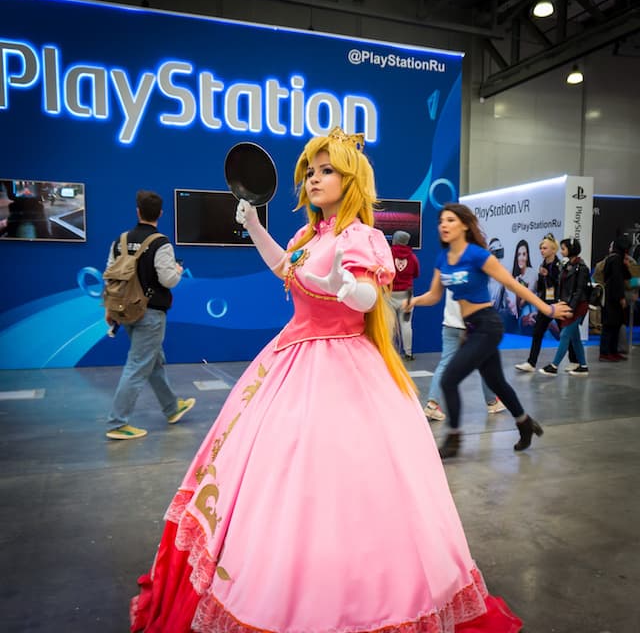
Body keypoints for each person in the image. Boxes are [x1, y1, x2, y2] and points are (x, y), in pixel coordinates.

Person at [129, 129, 523, 633]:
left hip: (345, 364)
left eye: (326, 170)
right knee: (279, 480)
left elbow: (367, 298)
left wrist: (348, 287)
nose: (314, 179)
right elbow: (284, 268)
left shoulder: (361, 237)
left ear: (350, 178)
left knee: (349, 482)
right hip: (290, 361)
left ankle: (355, 594)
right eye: (310, 172)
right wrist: (255, 226)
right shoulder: (308, 237)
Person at [407, 203, 570, 459]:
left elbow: (513, 285)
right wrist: (414, 301)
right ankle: (525, 423)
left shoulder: (477, 255)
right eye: (441, 221)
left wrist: (547, 310)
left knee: (449, 379)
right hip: (470, 328)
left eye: (450, 220)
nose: (444, 225)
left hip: (487, 325)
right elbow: (434, 295)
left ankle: (453, 440)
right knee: (497, 383)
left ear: (464, 225)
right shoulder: (443, 258)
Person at [105, 190, 195, 439]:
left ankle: (172, 407)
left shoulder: (120, 241)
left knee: (153, 361)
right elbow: (168, 280)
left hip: (125, 311)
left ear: (138, 211)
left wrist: (109, 310)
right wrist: (177, 270)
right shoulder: (161, 243)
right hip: (151, 314)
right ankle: (117, 423)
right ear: (160, 213)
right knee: (138, 366)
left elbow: (110, 276)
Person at [424, 289, 506, 421]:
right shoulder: (474, 277)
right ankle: (492, 402)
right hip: (471, 326)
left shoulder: (447, 275)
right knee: (486, 362)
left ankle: (431, 405)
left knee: (445, 365)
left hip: (450, 325)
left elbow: (434, 295)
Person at [515, 233, 578, 372]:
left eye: (544, 248)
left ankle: (574, 360)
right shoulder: (543, 264)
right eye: (541, 248)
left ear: (553, 250)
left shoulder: (559, 266)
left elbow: (561, 284)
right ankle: (531, 363)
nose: (542, 251)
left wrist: (547, 275)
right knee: (537, 332)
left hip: (558, 304)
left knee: (565, 333)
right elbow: (541, 287)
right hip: (546, 304)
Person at [539, 238, 590, 376]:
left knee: (565, 334)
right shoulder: (566, 265)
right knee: (575, 337)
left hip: (578, 306)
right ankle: (583, 366)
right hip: (567, 304)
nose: (561, 251)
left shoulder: (581, 268)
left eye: (563, 249)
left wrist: (571, 309)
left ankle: (554, 366)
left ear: (571, 250)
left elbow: (579, 291)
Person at [389, 229, 420, 360]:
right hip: (407, 295)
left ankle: (389, 353)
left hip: (389, 294)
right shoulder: (412, 257)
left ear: (395, 240)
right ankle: (408, 353)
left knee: (389, 325)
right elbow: (416, 274)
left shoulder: (387, 255)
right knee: (406, 324)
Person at [599, 236, 631, 362]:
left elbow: (626, 276)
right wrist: (621, 297)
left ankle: (612, 351)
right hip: (612, 297)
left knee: (616, 325)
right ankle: (605, 352)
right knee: (610, 325)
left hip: (612, 296)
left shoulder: (616, 258)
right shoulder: (615, 259)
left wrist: (626, 265)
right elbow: (617, 279)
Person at [511, 239, 538, 332]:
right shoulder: (515, 276)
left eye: (524, 254)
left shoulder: (532, 273)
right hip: (519, 312)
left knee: (528, 309)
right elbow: (516, 304)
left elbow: (526, 298)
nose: (521, 258)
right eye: (519, 254)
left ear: (527, 256)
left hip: (532, 307)